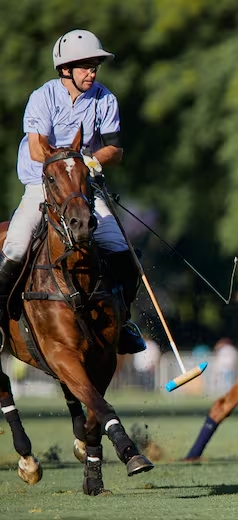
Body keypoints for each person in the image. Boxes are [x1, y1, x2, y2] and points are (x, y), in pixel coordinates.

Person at [0, 29, 146, 354]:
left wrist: (90, 161)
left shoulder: (105, 99)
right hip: (43, 186)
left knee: (121, 249)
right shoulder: (43, 96)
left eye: (94, 65)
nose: (91, 72)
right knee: (17, 243)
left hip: (82, 188)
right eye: (84, 66)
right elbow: (39, 149)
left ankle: (122, 322)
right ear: (65, 69)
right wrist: (72, 160)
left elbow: (115, 151)